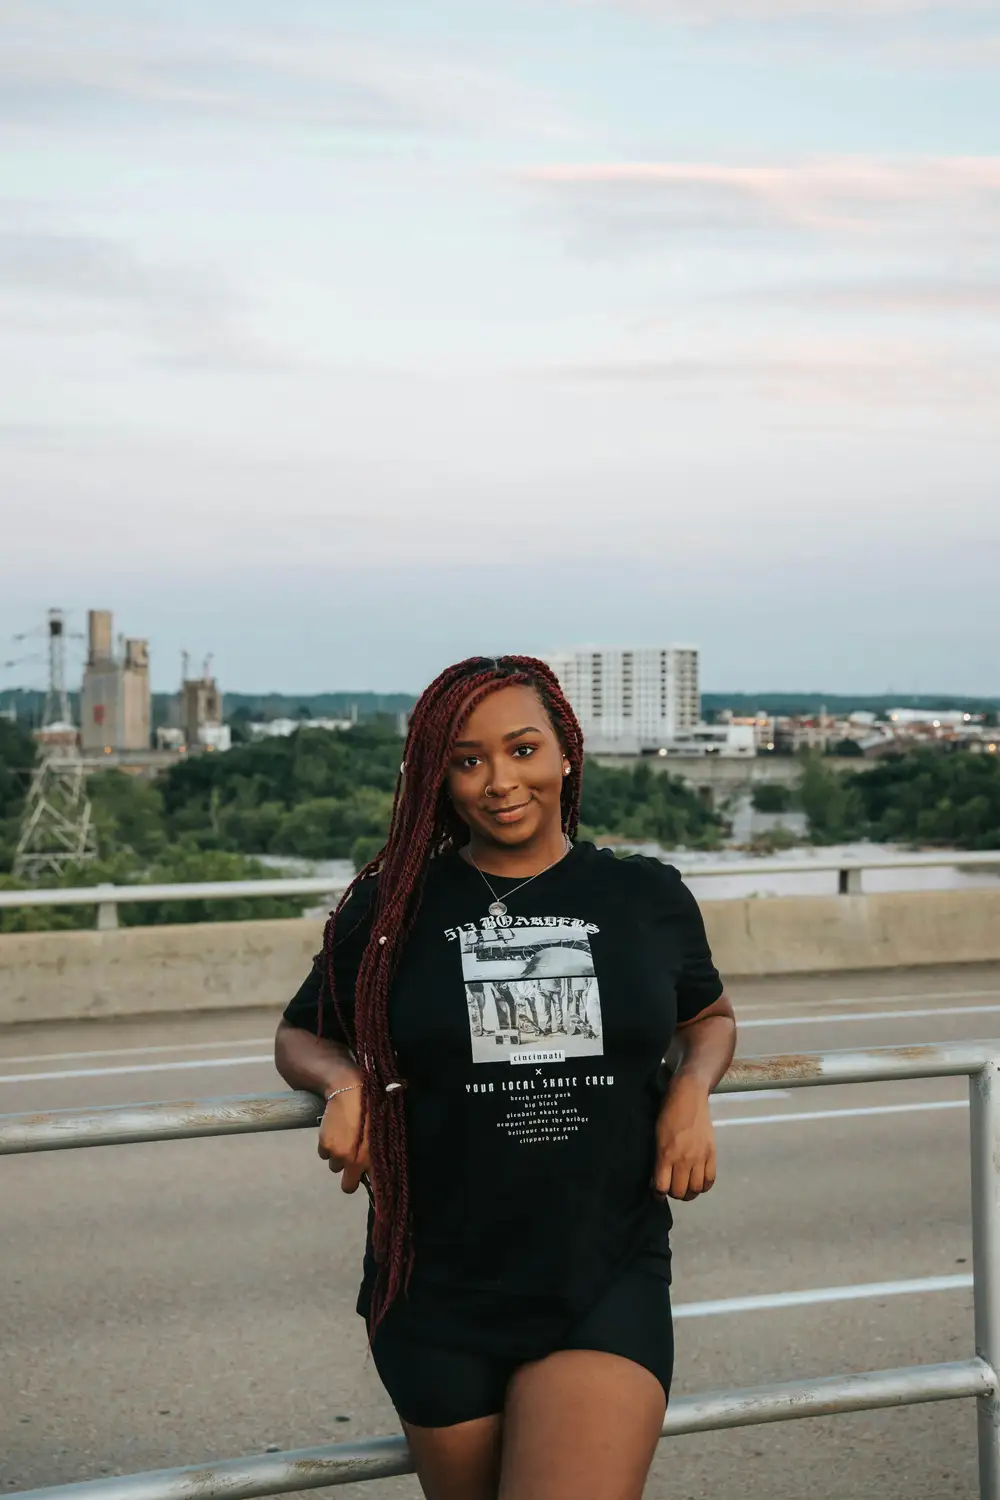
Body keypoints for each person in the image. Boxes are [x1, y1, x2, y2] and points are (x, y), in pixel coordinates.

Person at [274, 654, 736, 1500]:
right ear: (438, 779)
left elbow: (707, 1017)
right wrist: (343, 1086)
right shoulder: (394, 907)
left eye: (523, 750)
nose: (499, 781)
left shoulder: (644, 897)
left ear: (566, 753)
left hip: (600, 1274)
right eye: (468, 760)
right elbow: (302, 1031)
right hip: (435, 1289)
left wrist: (690, 1093)